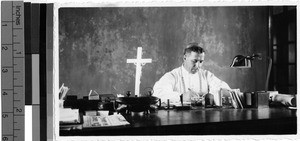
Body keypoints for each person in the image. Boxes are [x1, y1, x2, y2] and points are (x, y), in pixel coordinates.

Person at [153, 43, 231, 106]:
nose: (198, 66)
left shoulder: (206, 75)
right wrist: (181, 97)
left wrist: (211, 95)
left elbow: (226, 90)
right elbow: (158, 93)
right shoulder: (172, 76)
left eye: (201, 62)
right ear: (184, 58)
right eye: (194, 61)